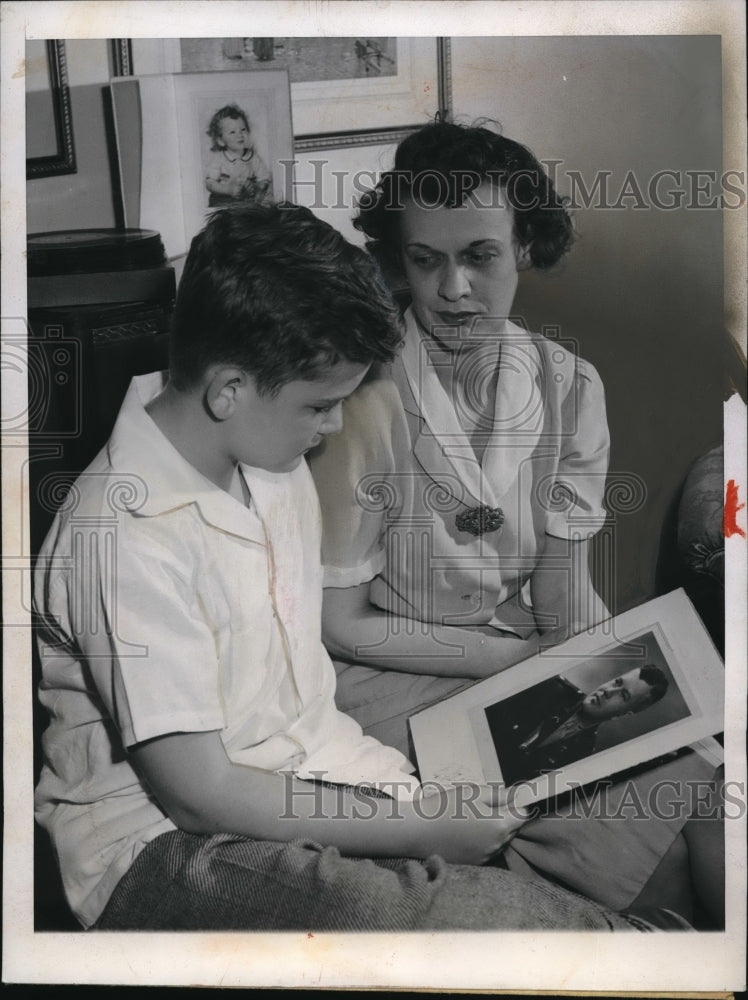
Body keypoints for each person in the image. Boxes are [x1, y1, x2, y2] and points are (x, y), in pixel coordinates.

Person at [32, 202, 654, 933]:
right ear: (228, 389)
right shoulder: (126, 531)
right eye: (321, 406)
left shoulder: (267, 455)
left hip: (308, 767)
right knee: (446, 915)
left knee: (568, 829)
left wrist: (416, 808)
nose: (334, 427)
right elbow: (200, 794)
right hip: (156, 846)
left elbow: (302, 718)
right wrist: (419, 828)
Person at [309, 120, 725, 927]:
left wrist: (656, 689)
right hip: (385, 670)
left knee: (709, 783)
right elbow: (341, 622)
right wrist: (520, 660)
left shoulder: (572, 387)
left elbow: (564, 594)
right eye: (426, 260)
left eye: (480, 256)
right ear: (400, 257)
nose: (453, 289)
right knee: (659, 850)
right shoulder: (361, 396)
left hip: (520, 659)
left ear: (526, 245)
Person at [485, 665, 669, 784]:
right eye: (617, 682)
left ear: (627, 713)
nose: (608, 691)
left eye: (623, 695)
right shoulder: (548, 686)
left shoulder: (582, 756)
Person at [204, 103, 271, 207]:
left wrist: (256, 187)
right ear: (221, 140)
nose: (239, 134)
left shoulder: (253, 158)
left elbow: (264, 178)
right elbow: (210, 183)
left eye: (243, 130)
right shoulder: (219, 159)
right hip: (223, 201)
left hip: (245, 203)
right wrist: (228, 189)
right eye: (232, 132)